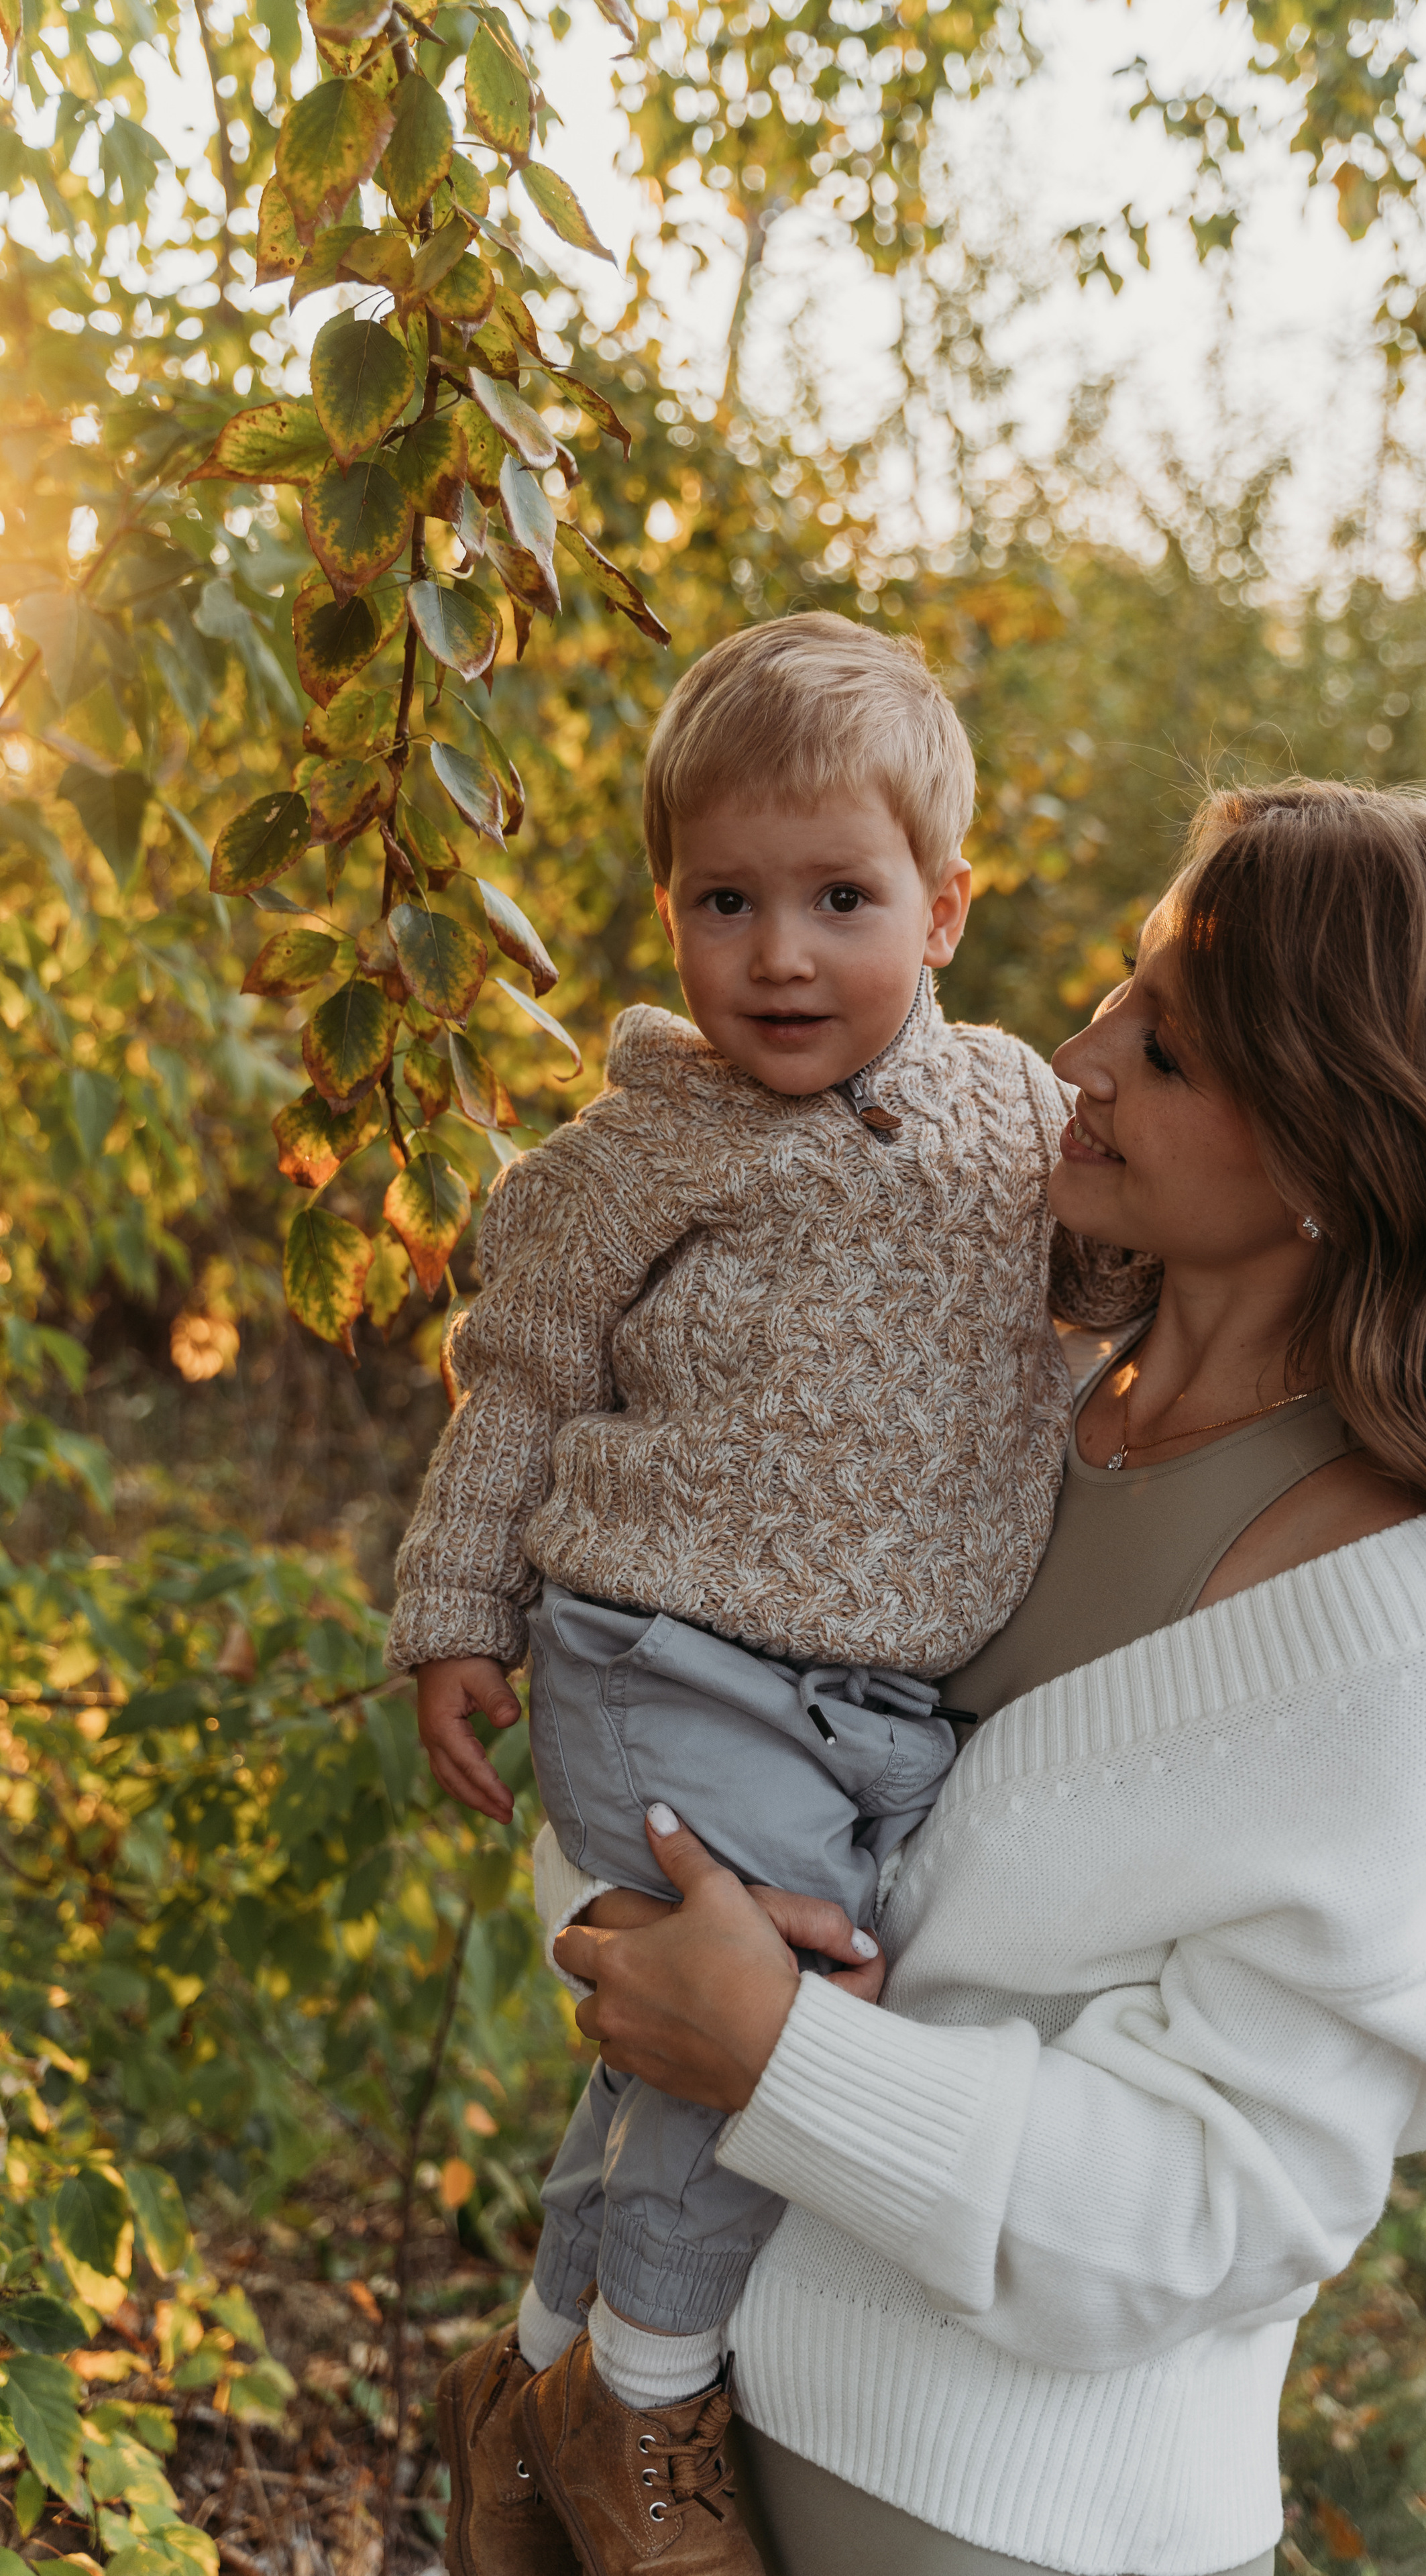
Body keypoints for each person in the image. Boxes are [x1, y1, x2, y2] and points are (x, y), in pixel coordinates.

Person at [545, 780, 1426, 2576]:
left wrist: (778, 2054)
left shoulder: (1389, 1651)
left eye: (1174, 1045)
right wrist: (629, 1914)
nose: (1077, 1051)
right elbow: (659, 1695)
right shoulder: (997, 1401)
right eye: (1123, 991)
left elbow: (1216, 2211)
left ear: (1344, 1142)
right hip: (672, 2449)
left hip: (1000, 2536)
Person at [386, 613, 1148, 2576]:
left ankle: (531, 2378)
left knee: (687, 2052)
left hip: (882, 1711)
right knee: (764, 2037)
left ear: (947, 907)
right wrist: (454, 1613)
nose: (781, 953)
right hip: (667, 1656)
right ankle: (644, 2420)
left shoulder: (1012, 1117)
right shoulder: (642, 1150)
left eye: (839, 897)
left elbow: (1105, 1282)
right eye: (727, 900)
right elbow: (525, 1378)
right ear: (669, 907)